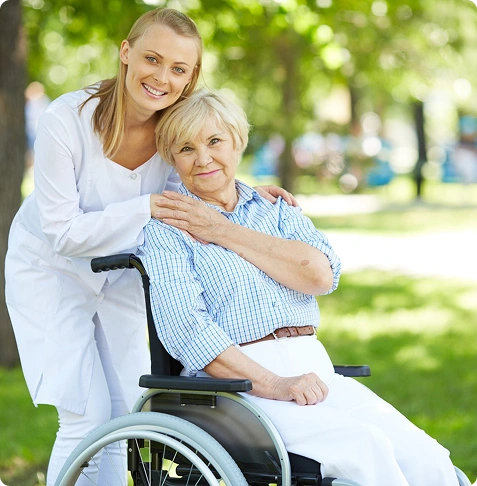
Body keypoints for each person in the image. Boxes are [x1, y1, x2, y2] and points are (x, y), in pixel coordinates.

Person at [4, 9, 291, 486]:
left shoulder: (174, 132)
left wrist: (247, 193)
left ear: (190, 78)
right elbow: (62, 231)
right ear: (125, 53)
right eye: (152, 59)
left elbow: (204, 175)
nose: (161, 77)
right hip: (49, 270)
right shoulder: (66, 120)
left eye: (179, 69)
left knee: (128, 411)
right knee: (84, 414)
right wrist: (149, 208)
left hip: (121, 271)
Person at [138, 89, 461, 486]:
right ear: (172, 158)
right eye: (186, 148)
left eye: (215, 141)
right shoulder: (166, 229)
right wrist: (276, 384)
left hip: (315, 370)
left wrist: (220, 230)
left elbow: (320, 275)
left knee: (428, 458)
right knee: (365, 449)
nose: (203, 158)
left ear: (238, 141)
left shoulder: (276, 210)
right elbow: (187, 331)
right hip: (238, 392)